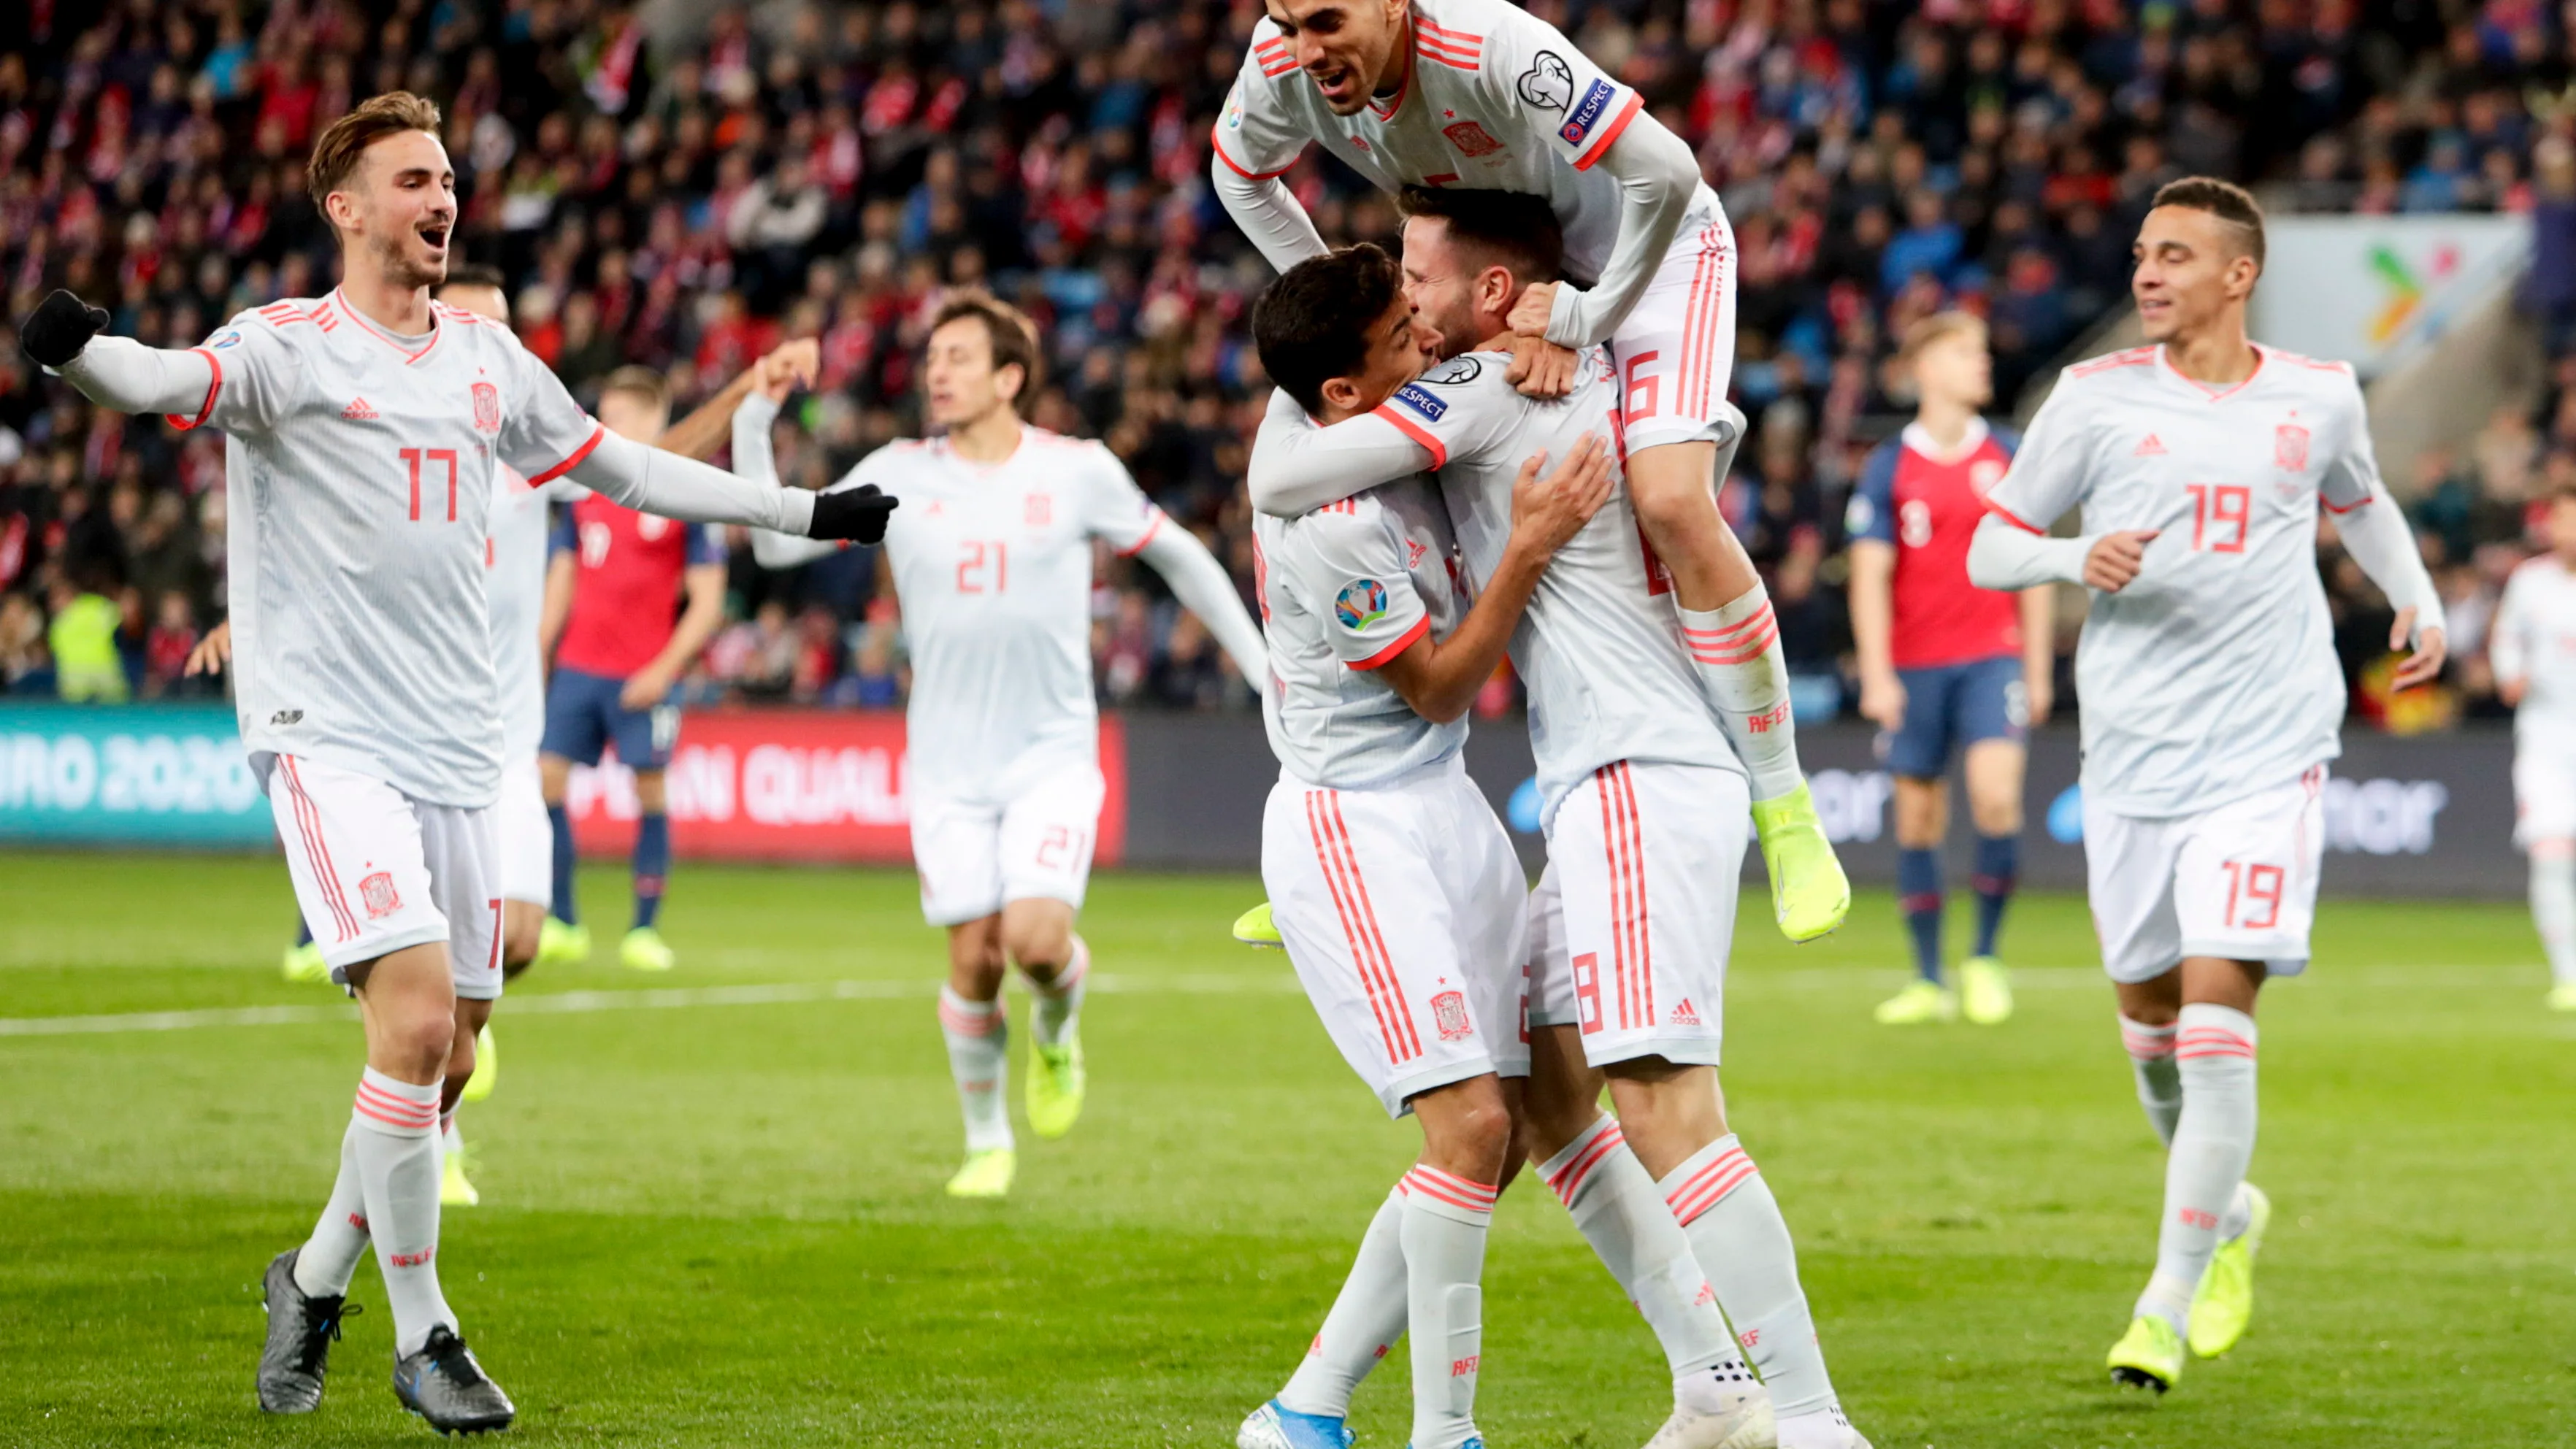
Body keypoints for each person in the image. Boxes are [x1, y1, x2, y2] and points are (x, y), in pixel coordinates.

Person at [17, 91, 889, 1433]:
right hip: (326, 738)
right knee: (415, 1024)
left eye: (450, 180)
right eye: (414, 179)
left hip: (460, 745)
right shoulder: (286, 347)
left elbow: (632, 478)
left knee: (452, 1057)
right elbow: (160, 381)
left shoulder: (491, 364)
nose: (442, 199)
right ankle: (427, 1335)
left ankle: (308, 1279)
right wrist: (76, 349)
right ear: (346, 207)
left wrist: (804, 511)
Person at [1243, 193, 1869, 1449]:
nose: (1409, 306)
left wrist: (1523, 350)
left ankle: (1807, 1422)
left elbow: (1285, 467)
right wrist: (1568, 324)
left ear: (1489, 294)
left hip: (1631, 769)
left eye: (1421, 277)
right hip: (1610, 772)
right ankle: (1707, 1386)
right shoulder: (1645, 376)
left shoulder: (1473, 389)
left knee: (1658, 1104)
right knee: (1537, 1102)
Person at [1214, 0, 1848, 939]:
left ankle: (1786, 804)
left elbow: (1667, 174)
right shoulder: (1280, 67)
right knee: (1356, 493)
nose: (1304, 49)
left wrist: (1584, 318)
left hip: (1652, 251)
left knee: (1669, 500)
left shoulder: (1491, 45)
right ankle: (1335, 825)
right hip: (1499, 268)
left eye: (1325, 20)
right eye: (1284, 21)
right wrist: (1354, 311)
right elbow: (1240, 179)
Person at [1966, 177, 2445, 1394]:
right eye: (2140, 252)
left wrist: (2414, 592)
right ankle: (2226, 1216)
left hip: (2266, 748)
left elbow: (2360, 500)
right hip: (2131, 756)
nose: (2146, 273)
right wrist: (2074, 554)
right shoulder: (2091, 399)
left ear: (2237, 275)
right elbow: (1990, 542)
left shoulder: (2317, 394)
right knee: (2149, 1032)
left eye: (2174, 254)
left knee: (2216, 1011)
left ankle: (2162, 1306)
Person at [735, 290, 1268, 1199]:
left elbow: (1177, 554)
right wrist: (754, 414)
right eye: (931, 356)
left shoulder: (1077, 469)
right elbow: (776, 546)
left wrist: (1262, 670)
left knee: (1033, 939)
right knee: (974, 957)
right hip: (946, 763)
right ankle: (987, 1142)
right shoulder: (898, 469)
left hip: (1051, 753)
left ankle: (1057, 1031)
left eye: (958, 356)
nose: (936, 371)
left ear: (1010, 376)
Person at [1236, 242, 1614, 1449]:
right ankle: (1441, 1434)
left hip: (1442, 807)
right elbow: (1441, 687)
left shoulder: (1363, 414)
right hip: (1356, 823)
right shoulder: (1326, 513)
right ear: (1340, 394)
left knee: (1497, 1136)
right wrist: (1527, 545)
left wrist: (1532, 330)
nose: (1428, 339)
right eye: (1403, 336)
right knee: (1464, 1130)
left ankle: (1304, 1409)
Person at [1846, 312, 2055, 1026]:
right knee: (1918, 818)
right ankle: (1928, 977)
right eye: (1966, 352)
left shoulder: (2008, 452)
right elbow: (1871, 575)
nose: (1982, 362)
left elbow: (2033, 566)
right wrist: (1877, 672)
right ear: (1926, 367)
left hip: (1990, 656)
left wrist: (2037, 665)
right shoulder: (1888, 464)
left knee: (1997, 798)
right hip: (1915, 664)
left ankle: (1986, 957)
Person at [534, 367, 730, 975]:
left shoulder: (681, 493)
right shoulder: (582, 490)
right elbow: (560, 582)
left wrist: (665, 669)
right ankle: (562, 919)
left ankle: (644, 930)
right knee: (545, 784)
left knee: (649, 791)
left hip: (642, 674)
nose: (603, 424)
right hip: (577, 669)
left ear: (652, 419)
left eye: (616, 415)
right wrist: (538, 659)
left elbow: (708, 598)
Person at [2490, 476, 2576, 1011]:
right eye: (2561, 519)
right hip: (2546, 738)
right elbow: (2506, 636)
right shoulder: (2530, 580)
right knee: (2550, 855)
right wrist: (2510, 672)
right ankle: (2568, 976)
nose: (2566, 529)